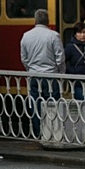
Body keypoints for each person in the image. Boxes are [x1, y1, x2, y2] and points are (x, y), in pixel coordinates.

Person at [20, 9, 65, 137]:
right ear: (48, 21)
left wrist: (30, 70)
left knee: (35, 105)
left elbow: (24, 58)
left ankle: (38, 133)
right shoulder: (53, 36)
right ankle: (51, 133)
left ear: (35, 20)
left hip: (34, 76)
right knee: (52, 105)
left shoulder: (26, 36)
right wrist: (61, 74)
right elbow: (60, 58)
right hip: (51, 76)